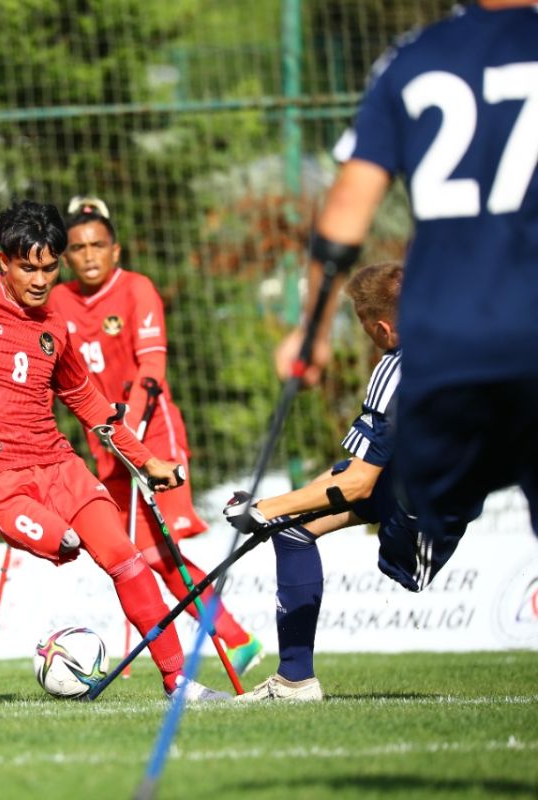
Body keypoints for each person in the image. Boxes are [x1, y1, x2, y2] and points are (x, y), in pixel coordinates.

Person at [0, 199, 228, 701]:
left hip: (59, 463)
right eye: (27, 267)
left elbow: (89, 402)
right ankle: (62, 653)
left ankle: (179, 683)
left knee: (127, 558)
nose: (40, 280)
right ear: (3, 261)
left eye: (48, 267)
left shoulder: (56, 323)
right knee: (67, 543)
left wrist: (146, 460)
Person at [274, 1, 538, 561]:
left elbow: (346, 212)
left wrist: (312, 330)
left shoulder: (413, 59)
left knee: (414, 508)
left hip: (450, 345)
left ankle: (410, 533)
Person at [48, 196, 263, 675]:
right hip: (105, 444)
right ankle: (235, 638)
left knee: (159, 551)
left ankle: (233, 637)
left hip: (153, 435)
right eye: (78, 247)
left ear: (116, 250)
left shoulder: (138, 289)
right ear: (65, 257)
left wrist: (132, 423)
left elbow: (153, 364)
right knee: (136, 554)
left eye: (97, 245)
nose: (88, 255)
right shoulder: (57, 301)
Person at [232, 262, 464, 701]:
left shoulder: (397, 367)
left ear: (382, 328)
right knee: (296, 530)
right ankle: (295, 680)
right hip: (428, 490)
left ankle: (295, 678)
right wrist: (279, 510)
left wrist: (263, 511)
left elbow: (357, 484)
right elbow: (353, 470)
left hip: (420, 515)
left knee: (293, 517)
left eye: (362, 326)